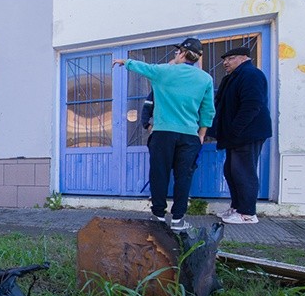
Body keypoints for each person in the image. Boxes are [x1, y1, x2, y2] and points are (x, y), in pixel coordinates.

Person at [113, 37, 215, 232]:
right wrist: (201, 134)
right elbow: (208, 110)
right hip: (189, 135)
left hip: (163, 134)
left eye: (177, 52)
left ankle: (158, 216)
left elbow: (144, 68)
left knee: (159, 174)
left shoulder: (164, 72)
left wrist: (125, 62)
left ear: (183, 53)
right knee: (183, 176)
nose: (175, 55)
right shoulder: (205, 79)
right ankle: (178, 219)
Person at [206, 46, 272, 224]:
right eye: (224, 60)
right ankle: (237, 207)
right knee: (231, 171)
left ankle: (247, 213)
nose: (225, 63)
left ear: (243, 58)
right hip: (235, 134)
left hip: (247, 133)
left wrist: (235, 130)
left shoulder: (251, 74)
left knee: (244, 171)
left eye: (230, 58)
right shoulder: (234, 77)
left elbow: (252, 105)